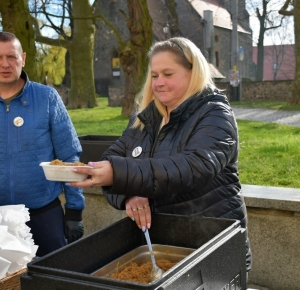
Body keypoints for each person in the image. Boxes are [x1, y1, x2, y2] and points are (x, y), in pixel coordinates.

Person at [69, 37, 252, 272]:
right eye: (154, 76)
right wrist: (129, 194)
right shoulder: (145, 116)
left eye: (168, 74)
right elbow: (114, 158)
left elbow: (193, 168)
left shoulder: (215, 114)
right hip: (162, 246)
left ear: (192, 73)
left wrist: (120, 175)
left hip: (211, 248)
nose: (159, 83)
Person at [0, 32, 85, 256]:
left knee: (54, 282)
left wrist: (75, 210)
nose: (5, 64)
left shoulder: (47, 98)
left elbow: (68, 156)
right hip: (0, 220)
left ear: (23, 58)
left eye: (11, 56)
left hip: (43, 214)